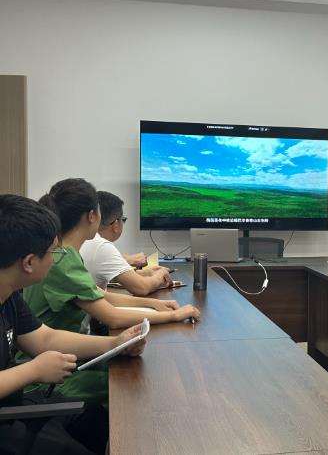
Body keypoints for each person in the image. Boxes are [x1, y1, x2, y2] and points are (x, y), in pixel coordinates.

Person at [22, 178, 200, 402]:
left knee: (134, 370)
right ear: (92, 216)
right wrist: (173, 316)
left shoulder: (65, 253)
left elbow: (98, 295)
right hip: (50, 371)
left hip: (65, 355)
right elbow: (113, 318)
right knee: (140, 385)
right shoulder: (62, 259)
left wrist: (153, 304)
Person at [0, 194, 146, 454]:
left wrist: (115, 343)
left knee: (95, 420)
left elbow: (45, 339)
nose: (57, 258)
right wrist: (34, 370)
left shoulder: (8, 295)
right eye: (53, 252)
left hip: (17, 404)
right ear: (29, 262)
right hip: (9, 419)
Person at [81, 191, 172, 295]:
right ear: (115, 225)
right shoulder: (101, 246)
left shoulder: (83, 240)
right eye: (123, 219)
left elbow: (106, 275)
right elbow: (142, 288)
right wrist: (160, 276)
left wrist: (145, 273)